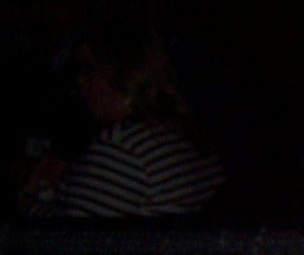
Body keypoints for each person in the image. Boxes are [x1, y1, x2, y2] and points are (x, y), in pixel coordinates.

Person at [29, 21, 223, 218]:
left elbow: (73, 235)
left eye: (90, 70)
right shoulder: (182, 130)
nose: (80, 81)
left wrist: (29, 202)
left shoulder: (122, 146)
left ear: (125, 74)